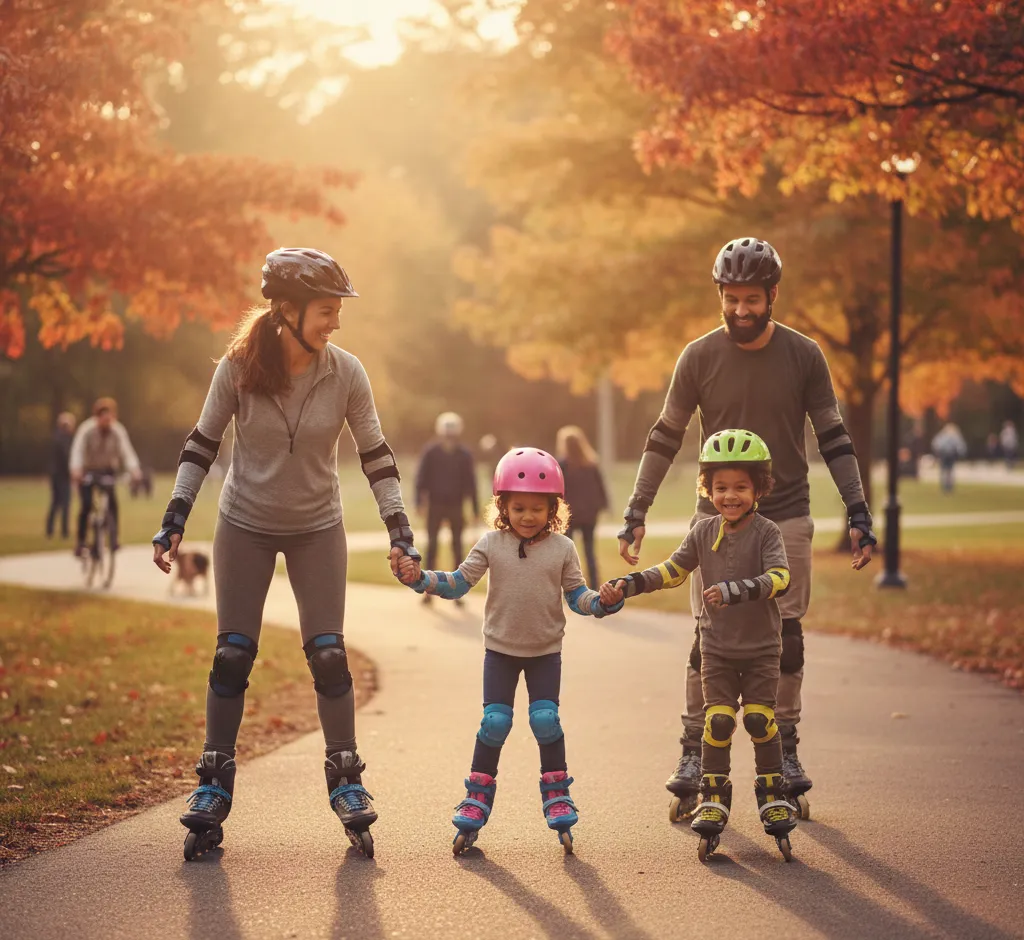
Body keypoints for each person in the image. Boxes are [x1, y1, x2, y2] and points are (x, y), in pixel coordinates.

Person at [151, 247, 421, 861]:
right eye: (326, 311)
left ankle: (347, 780)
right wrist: (175, 518)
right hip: (243, 523)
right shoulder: (238, 369)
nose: (335, 323)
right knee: (231, 655)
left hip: (316, 527)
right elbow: (201, 443)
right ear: (287, 310)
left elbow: (376, 455)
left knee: (328, 655)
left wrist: (398, 527)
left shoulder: (346, 372)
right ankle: (213, 785)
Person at [617, 237, 875, 823]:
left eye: (751, 300)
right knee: (708, 633)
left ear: (773, 296)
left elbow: (833, 436)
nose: (739, 310)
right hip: (714, 519)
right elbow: (665, 436)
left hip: (786, 512)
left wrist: (858, 512)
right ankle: (692, 755)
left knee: (784, 632)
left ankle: (782, 751)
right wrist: (637, 512)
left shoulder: (804, 355)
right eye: (730, 299)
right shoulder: (699, 356)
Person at [397, 448, 622, 855]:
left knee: (545, 719)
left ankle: (557, 792)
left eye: (538, 508)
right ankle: (477, 795)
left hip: (544, 653)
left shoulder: (563, 549)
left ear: (553, 508)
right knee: (495, 721)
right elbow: (457, 583)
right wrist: (421, 580)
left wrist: (602, 602)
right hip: (500, 651)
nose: (528, 516)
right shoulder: (491, 544)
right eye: (518, 507)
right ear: (502, 505)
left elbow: (577, 596)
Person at [603, 430, 798, 861]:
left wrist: (736, 590)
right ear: (707, 489)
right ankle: (713, 795)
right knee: (718, 722)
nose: (730, 496)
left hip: (763, 647)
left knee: (762, 720)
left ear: (760, 488)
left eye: (741, 487)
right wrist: (628, 584)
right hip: (718, 648)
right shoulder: (703, 530)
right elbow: (673, 571)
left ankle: (772, 791)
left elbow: (781, 579)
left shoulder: (767, 533)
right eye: (721, 487)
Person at [415, 411, 479, 606]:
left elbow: (471, 483)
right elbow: (421, 478)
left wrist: (475, 509)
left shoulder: (464, 454)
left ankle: (455, 591)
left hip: (456, 504)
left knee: (457, 548)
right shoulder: (430, 452)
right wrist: (419, 502)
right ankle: (428, 589)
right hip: (435, 504)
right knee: (432, 546)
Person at [69, 398, 142, 556]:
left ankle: (114, 539)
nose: (107, 423)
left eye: (110, 419)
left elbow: (126, 452)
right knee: (86, 505)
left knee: (112, 504)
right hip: (88, 471)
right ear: (97, 418)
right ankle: (81, 542)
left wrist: (134, 469)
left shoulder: (117, 431)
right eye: (104, 420)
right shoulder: (86, 430)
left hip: (107, 470)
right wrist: (76, 469)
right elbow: (78, 451)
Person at [555, 425, 609, 588]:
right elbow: (601, 487)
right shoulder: (591, 463)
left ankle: (570, 586)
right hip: (589, 514)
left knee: (567, 553)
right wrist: (603, 505)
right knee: (589, 552)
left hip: (569, 515)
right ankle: (593, 586)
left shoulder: (562, 466)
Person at [45, 411, 76, 540]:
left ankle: (50, 530)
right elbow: (66, 458)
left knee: (55, 503)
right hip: (62, 476)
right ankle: (64, 532)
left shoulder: (56, 437)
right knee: (65, 503)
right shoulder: (64, 439)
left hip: (56, 475)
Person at [931, 422, 968, 493]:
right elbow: (961, 446)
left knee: (945, 471)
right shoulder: (955, 436)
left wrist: (938, 451)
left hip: (945, 454)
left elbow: (936, 444)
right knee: (949, 471)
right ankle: (948, 487)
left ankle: (945, 486)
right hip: (949, 454)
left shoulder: (942, 435)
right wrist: (961, 453)